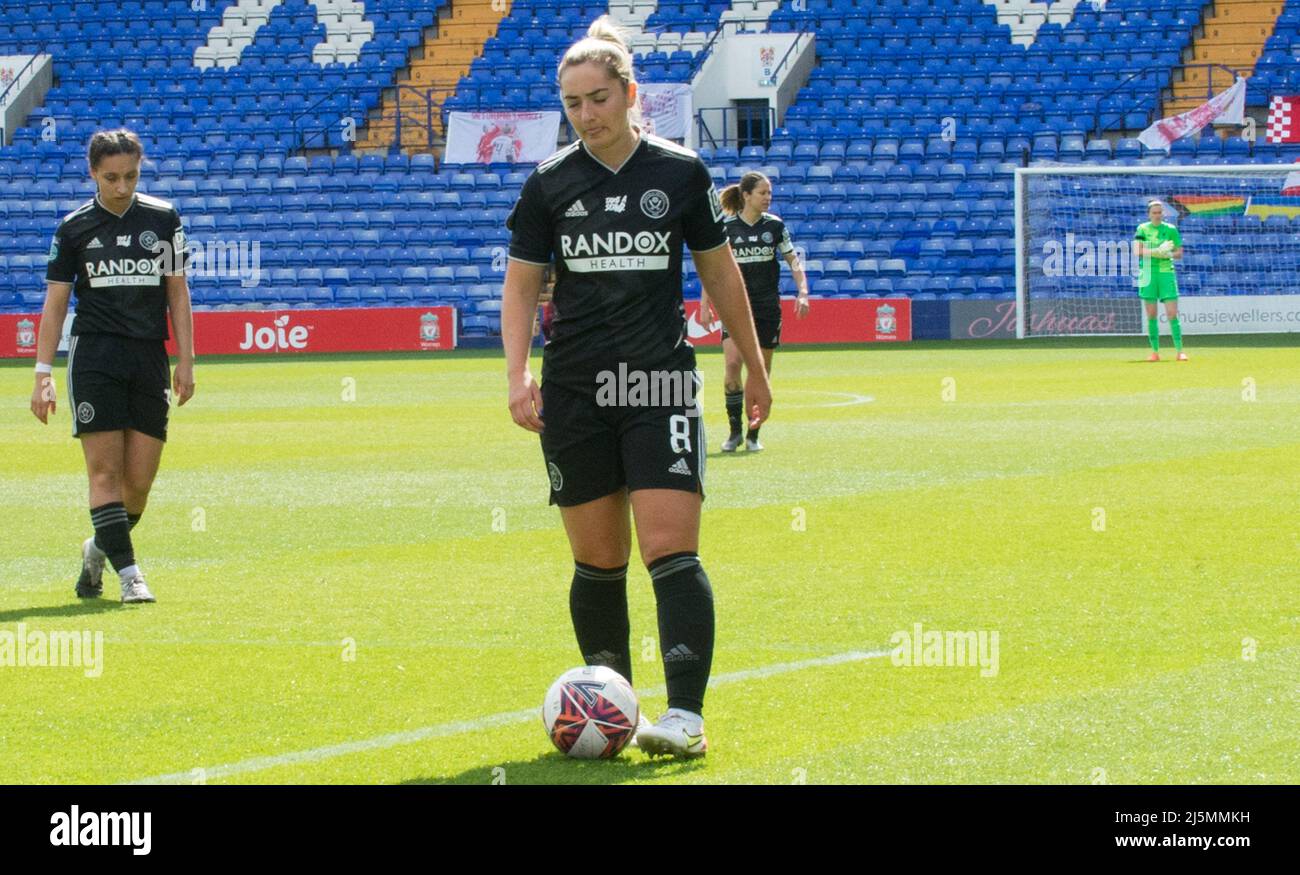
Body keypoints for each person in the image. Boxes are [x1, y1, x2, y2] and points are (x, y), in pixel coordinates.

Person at [501, 16, 771, 758]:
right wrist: (519, 373)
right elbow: (521, 287)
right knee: (597, 561)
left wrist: (754, 364)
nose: (586, 115)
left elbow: (721, 274)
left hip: (658, 383)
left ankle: (685, 715)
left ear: (628, 94)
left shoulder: (679, 172)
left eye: (598, 98)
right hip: (577, 392)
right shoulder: (548, 184)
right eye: (573, 103)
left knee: (669, 549)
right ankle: (612, 711)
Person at [29, 129, 195, 603]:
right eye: (111, 178)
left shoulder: (163, 219)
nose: (122, 186)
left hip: (148, 357)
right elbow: (55, 305)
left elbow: (176, 292)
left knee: (137, 486)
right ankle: (130, 576)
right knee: (104, 476)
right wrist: (43, 374)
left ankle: (98, 548)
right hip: (96, 357)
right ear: (93, 174)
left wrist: (186, 359)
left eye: (130, 176)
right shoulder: (75, 228)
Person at [699, 171, 809, 451]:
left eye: (769, 193)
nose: (768, 198)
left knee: (761, 372)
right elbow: (714, 269)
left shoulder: (774, 226)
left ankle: (753, 434)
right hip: (734, 306)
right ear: (746, 195)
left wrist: (803, 292)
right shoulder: (726, 227)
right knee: (733, 365)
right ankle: (734, 431)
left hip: (767, 308)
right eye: (762, 193)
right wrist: (705, 303)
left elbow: (793, 261)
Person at [1133, 200, 1187, 361]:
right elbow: (1137, 250)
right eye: (1154, 213)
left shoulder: (1171, 230)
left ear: (1163, 213)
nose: (1157, 215)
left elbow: (1179, 253)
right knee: (1151, 314)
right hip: (1148, 273)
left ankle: (1180, 351)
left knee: (1172, 313)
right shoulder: (1142, 229)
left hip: (1165, 273)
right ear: (1149, 214)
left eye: (1159, 212)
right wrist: (1157, 251)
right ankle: (1155, 352)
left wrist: (1168, 254)